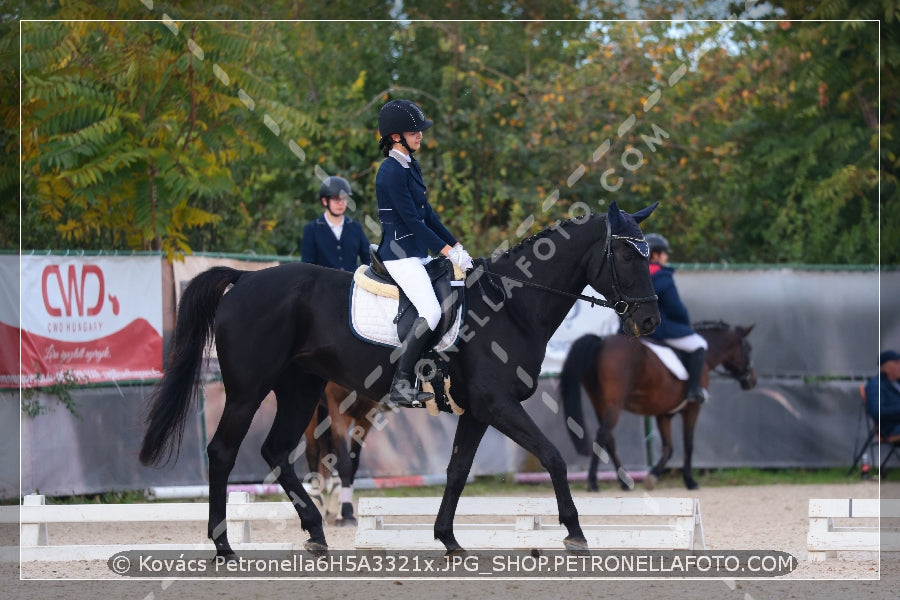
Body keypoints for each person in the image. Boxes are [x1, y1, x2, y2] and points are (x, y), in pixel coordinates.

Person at [374, 99, 473, 407]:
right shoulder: (391, 171)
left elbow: (428, 214)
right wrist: (445, 250)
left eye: (419, 131)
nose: (419, 136)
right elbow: (413, 223)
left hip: (417, 253)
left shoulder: (410, 165)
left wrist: (456, 246)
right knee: (430, 311)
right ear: (395, 137)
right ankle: (401, 384)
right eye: (413, 131)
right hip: (399, 254)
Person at [645, 233, 708, 404]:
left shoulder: (630, 273)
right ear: (655, 255)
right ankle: (693, 390)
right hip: (657, 329)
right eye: (665, 253)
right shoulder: (662, 276)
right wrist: (684, 322)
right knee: (699, 344)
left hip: (628, 329)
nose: (667, 257)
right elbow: (674, 307)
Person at [301, 176, 370, 272]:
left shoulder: (356, 228)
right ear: (325, 201)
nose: (341, 203)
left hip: (350, 284)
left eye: (344, 198)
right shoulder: (312, 230)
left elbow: (368, 260)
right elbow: (307, 267)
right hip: (324, 285)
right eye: (336, 199)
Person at [865, 350, 900, 437]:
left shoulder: (897, 382)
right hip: (891, 427)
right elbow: (876, 412)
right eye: (897, 363)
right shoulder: (876, 385)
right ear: (885, 367)